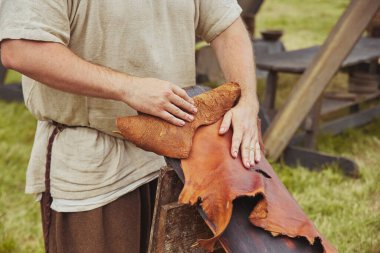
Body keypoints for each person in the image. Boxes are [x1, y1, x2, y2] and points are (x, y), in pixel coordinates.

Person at [0, 0, 261, 252]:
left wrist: (247, 101)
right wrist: (128, 88)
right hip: (97, 168)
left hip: (181, 162)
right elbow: (21, 48)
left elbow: (226, 25)